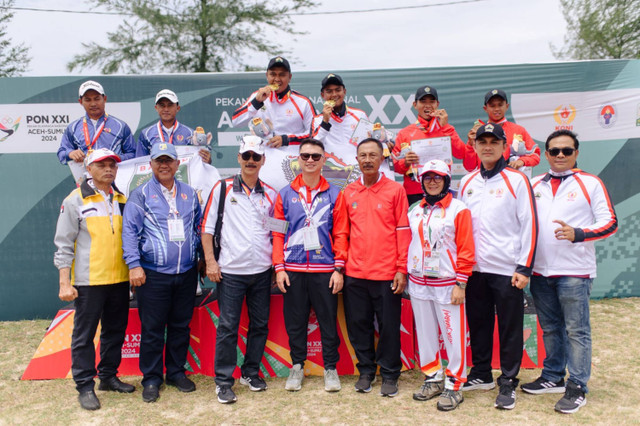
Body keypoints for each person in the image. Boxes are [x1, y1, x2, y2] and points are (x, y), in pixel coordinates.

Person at [521, 130, 618, 414]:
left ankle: (577, 385)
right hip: (540, 271)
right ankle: (553, 376)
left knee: (576, 330)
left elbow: (609, 222)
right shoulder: (534, 182)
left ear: (576, 153)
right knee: (550, 328)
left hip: (575, 272)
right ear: (546, 154)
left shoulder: (591, 182)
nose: (560, 155)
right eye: (554, 151)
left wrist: (579, 233)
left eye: (566, 150)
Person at [457, 123, 538, 410]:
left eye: (494, 141)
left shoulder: (517, 180)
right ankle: (481, 373)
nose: (488, 146)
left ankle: (508, 381)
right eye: (483, 142)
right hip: (475, 269)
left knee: (510, 327)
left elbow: (530, 223)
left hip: (507, 269)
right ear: (476, 147)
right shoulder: (466, 182)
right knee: (478, 323)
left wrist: (524, 267)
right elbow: (460, 227)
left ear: (504, 146)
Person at [53, 148, 135, 410]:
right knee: (84, 336)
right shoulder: (75, 200)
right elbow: (63, 244)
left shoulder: (123, 199)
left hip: (120, 280)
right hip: (89, 282)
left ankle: (108, 377)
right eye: (101, 165)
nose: (108, 169)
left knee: (115, 332)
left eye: (112, 164)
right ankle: (85, 386)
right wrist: (64, 282)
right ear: (88, 169)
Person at [122, 142, 202, 403]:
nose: (164, 165)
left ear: (178, 164)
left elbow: (198, 229)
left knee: (180, 326)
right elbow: (130, 232)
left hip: (187, 272)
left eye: (169, 160)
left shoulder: (190, 193)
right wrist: (133, 264)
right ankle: (152, 378)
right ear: (152, 164)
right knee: (153, 329)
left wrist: (201, 258)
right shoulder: (140, 194)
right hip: (153, 274)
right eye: (159, 161)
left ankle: (176, 372)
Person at [201, 135, 278, 404]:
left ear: (263, 160)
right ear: (238, 158)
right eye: (246, 156)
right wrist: (211, 262)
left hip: (262, 272)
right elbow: (207, 230)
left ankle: (250, 372)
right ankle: (223, 381)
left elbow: (277, 232)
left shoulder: (271, 193)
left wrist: (277, 266)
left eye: (256, 157)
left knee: (259, 325)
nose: (250, 161)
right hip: (230, 272)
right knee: (228, 327)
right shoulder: (221, 189)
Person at [272, 138, 348, 392]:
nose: (310, 160)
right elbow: (277, 235)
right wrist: (279, 267)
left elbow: (340, 233)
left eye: (316, 156)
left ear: (324, 160)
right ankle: (296, 367)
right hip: (292, 270)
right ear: (298, 159)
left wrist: (339, 268)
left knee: (327, 321)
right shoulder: (284, 194)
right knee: (295, 321)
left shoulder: (336, 193)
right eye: (305, 156)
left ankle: (331, 369)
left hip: (324, 270)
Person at [341, 138, 410, 397]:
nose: (367, 160)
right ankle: (366, 371)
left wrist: (401, 268)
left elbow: (403, 232)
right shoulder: (348, 192)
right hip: (355, 274)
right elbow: (342, 232)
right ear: (356, 160)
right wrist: (341, 266)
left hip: (386, 275)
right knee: (359, 325)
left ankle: (390, 374)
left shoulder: (395, 190)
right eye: (363, 155)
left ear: (382, 159)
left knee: (389, 327)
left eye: (373, 155)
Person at [407, 159, 475, 411]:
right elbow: (408, 243)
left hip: (448, 282)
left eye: (437, 177)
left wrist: (461, 282)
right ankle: (433, 376)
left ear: (447, 180)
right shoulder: (414, 209)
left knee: (452, 335)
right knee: (425, 334)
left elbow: (467, 248)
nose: (432, 181)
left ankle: (455, 383)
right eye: (427, 177)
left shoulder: (459, 209)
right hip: (418, 282)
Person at [392, 85, 476, 205]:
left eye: (432, 101)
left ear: (437, 104)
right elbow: (394, 165)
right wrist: (405, 162)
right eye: (423, 101)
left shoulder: (446, 129)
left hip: (441, 189)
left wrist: (445, 127)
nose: (428, 105)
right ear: (415, 105)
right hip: (414, 193)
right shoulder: (405, 133)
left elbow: (461, 153)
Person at [232, 56, 316, 147]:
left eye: (282, 75)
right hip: (263, 157)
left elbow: (315, 134)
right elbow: (236, 122)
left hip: (292, 158)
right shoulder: (257, 96)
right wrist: (256, 103)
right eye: (273, 74)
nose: (277, 79)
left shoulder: (303, 102)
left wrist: (287, 139)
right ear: (267, 76)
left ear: (290, 77)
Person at [57, 80, 136, 165]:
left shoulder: (120, 126)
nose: (93, 104)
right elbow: (61, 153)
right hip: (85, 176)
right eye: (88, 100)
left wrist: (116, 158)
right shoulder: (73, 128)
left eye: (97, 99)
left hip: (114, 175)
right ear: (80, 102)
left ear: (104, 99)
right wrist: (70, 153)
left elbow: (134, 154)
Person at [466, 89, 540, 171]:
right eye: (492, 106)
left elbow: (535, 155)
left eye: (500, 105)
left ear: (507, 106)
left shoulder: (519, 130)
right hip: (485, 179)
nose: (497, 109)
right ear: (485, 108)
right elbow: (469, 166)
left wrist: (522, 161)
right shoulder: (478, 132)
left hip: (511, 181)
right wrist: (470, 144)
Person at [136, 89, 211, 164]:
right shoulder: (146, 134)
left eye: (170, 105)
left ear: (178, 108)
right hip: (156, 174)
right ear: (156, 108)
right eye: (162, 105)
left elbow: (201, 163)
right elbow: (140, 163)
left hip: (182, 175)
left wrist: (207, 159)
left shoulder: (190, 134)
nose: (166, 109)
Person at [312, 73, 368, 150]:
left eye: (338, 90)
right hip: (329, 162)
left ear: (344, 92)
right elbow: (314, 147)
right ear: (322, 95)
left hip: (355, 161)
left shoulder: (359, 115)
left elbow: (368, 144)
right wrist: (325, 122)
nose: (334, 94)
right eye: (329, 91)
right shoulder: (317, 120)